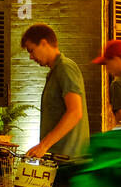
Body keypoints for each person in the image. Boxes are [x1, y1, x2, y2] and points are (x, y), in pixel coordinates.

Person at [22, 24, 90, 160]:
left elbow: (75, 112)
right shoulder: (55, 72)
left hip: (69, 159)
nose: (31, 57)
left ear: (43, 43)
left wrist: (43, 146)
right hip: (59, 158)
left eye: (31, 50)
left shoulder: (65, 68)